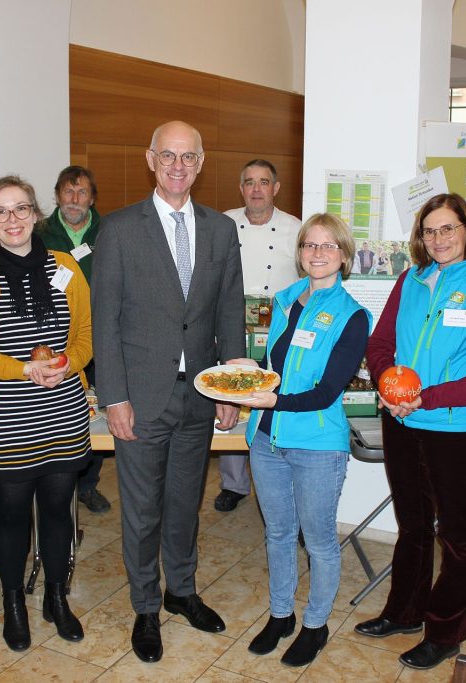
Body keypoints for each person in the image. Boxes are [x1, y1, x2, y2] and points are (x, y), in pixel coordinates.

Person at [91, 120, 245, 664]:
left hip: (201, 394)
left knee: (185, 503)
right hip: (140, 395)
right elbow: (104, 319)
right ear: (150, 160)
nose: (178, 166)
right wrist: (114, 398)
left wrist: (231, 388)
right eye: (168, 156)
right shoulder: (119, 229)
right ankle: (145, 607)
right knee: (142, 509)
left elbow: (230, 315)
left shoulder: (222, 231)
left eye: (189, 157)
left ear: (201, 164)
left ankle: (181, 591)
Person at [357, 193, 466, 670]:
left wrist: (427, 396)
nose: (439, 238)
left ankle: (445, 631)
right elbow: (380, 342)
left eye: (448, 228)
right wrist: (390, 382)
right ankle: (405, 611)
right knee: (413, 525)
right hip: (401, 420)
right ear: (420, 237)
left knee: (457, 534)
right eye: (430, 230)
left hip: (450, 426)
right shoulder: (410, 279)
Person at [0, 175, 92, 651]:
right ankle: (13, 604)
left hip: (65, 409)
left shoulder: (67, 266)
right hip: (8, 418)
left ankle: (56, 597)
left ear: (36, 214)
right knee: (12, 516)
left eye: (20, 209)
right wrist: (23, 369)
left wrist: (67, 364)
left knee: (57, 511)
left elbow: (86, 339)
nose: (12, 220)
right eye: (0, 211)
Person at [232, 213, 369, 667]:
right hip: (266, 439)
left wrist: (271, 401)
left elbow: (327, 391)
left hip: (316, 444)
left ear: (344, 256)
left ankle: (315, 624)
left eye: (328, 246)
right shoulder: (286, 299)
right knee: (277, 533)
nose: (317, 253)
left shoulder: (352, 317)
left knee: (319, 540)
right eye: (310, 244)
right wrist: (248, 385)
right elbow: (274, 365)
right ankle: (280, 614)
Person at [216, 159, 303, 513]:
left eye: (263, 182)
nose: (256, 189)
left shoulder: (295, 229)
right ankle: (233, 484)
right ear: (241, 188)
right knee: (232, 394)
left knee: (271, 395)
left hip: (277, 329)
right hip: (231, 323)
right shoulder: (222, 223)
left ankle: (279, 475)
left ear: (275, 188)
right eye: (249, 182)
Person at [36, 165, 110, 514]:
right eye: (68, 192)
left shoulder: (110, 231)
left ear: (92, 198)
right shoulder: (39, 234)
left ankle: (88, 484)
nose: (75, 199)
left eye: (82, 192)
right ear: (57, 196)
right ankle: (54, 483)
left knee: (97, 411)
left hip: (103, 336)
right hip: (54, 338)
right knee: (57, 411)